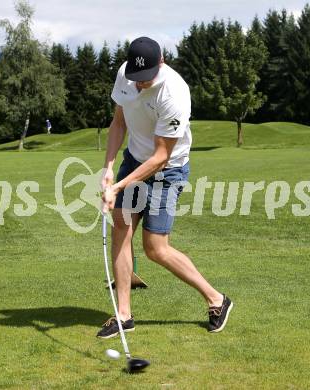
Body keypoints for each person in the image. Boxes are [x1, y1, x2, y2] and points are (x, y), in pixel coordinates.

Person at [99, 37, 233, 338]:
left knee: (155, 248)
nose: (140, 85)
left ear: (162, 63)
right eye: (136, 79)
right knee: (121, 224)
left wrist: (118, 185)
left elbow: (161, 157)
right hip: (134, 160)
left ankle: (217, 299)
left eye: (146, 79)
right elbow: (118, 123)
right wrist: (108, 169)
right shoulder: (126, 74)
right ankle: (123, 315)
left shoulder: (174, 93)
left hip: (167, 171)